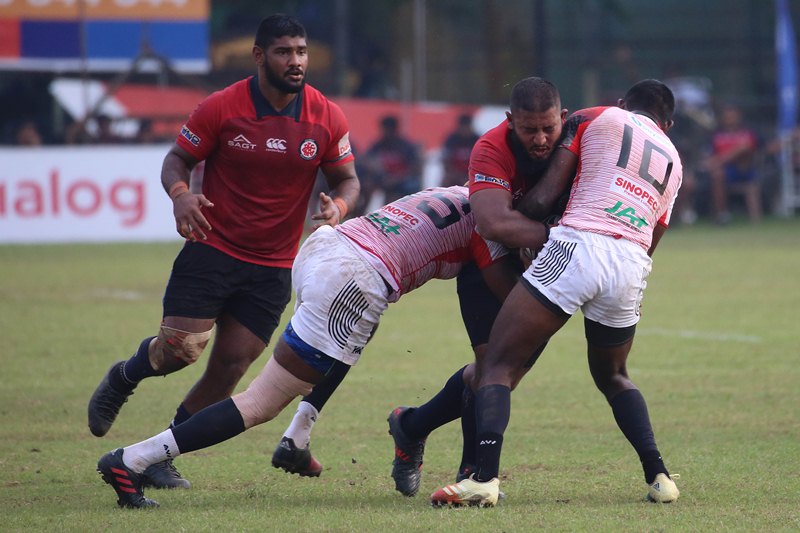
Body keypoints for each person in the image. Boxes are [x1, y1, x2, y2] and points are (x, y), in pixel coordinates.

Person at [95, 184, 549, 509]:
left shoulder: (463, 192)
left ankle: (299, 433)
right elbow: (510, 299)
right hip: (354, 280)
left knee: (350, 341)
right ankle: (131, 460)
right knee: (260, 402)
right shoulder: (493, 226)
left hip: (327, 247)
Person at [86, 14, 360, 491]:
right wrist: (181, 195)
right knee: (178, 351)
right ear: (259, 56)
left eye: (301, 51)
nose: (295, 61)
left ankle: (159, 456)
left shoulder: (326, 116)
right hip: (212, 248)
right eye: (283, 52)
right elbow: (177, 159)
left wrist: (338, 205)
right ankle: (124, 376)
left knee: (231, 365)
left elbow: (348, 179)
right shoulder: (221, 107)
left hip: (273, 265)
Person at [269, 77, 568, 494]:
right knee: (494, 366)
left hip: (524, 252)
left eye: (548, 129)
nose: (539, 139)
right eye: (528, 129)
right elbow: (490, 222)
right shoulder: (491, 148)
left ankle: (411, 425)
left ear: (564, 119)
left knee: (504, 370)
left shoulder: (578, 144)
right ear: (509, 122)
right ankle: (470, 473)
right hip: (484, 252)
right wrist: (551, 243)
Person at [429, 79, 684, 508]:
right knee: (614, 375)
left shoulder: (596, 116)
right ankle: (660, 476)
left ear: (622, 103)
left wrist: (536, 216)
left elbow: (545, 193)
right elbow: (654, 234)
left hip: (578, 244)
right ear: (669, 124)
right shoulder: (675, 161)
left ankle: (484, 480)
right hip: (631, 263)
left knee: (497, 364)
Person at [706, 103, 762, 223]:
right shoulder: (717, 135)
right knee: (717, 174)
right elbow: (709, 155)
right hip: (723, 171)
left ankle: (755, 218)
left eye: (732, 116)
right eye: (727, 116)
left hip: (744, 169)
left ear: (739, 117)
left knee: (742, 149)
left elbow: (749, 149)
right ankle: (722, 215)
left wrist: (722, 159)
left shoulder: (747, 132)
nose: (730, 119)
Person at [360, 115, 422, 212]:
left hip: (403, 180)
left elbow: (414, 168)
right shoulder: (378, 144)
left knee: (396, 193)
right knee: (367, 186)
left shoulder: (406, 146)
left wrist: (396, 178)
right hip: (383, 177)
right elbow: (366, 160)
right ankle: (361, 214)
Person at [440, 113, 480, 187]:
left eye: (466, 127)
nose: (464, 130)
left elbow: (481, 161)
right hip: (454, 172)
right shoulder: (451, 139)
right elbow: (446, 159)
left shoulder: (477, 139)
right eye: (463, 127)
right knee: (445, 181)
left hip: (471, 173)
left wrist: (470, 174)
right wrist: (454, 174)